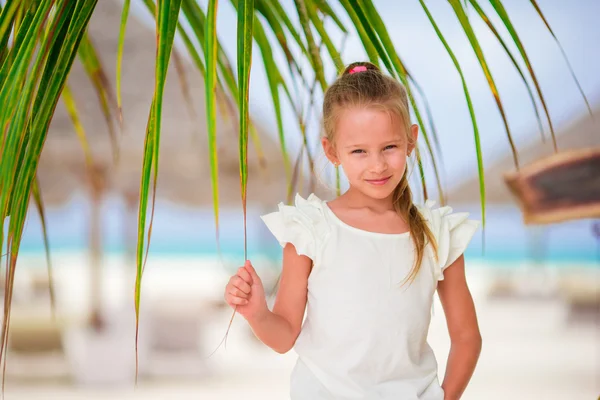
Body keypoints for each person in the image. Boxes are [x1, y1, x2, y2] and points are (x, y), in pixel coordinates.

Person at [224, 61, 482, 400]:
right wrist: (257, 313)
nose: (377, 165)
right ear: (332, 151)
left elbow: (467, 338)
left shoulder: (437, 233)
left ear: (410, 140)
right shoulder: (312, 229)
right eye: (359, 151)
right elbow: (285, 336)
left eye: (389, 147)